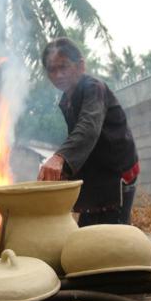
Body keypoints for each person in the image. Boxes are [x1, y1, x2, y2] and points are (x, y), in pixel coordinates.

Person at [38, 37, 139, 227]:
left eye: (64, 67)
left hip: (115, 171)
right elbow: (78, 136)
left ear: (80, 66)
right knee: (89, 229)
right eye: (52, 69)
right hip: (96, 172)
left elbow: (88, 127)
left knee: (114, 234)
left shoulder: (93, 88)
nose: (58, 74)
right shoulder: (66, 100)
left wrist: (60, 158)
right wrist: (65, 171)